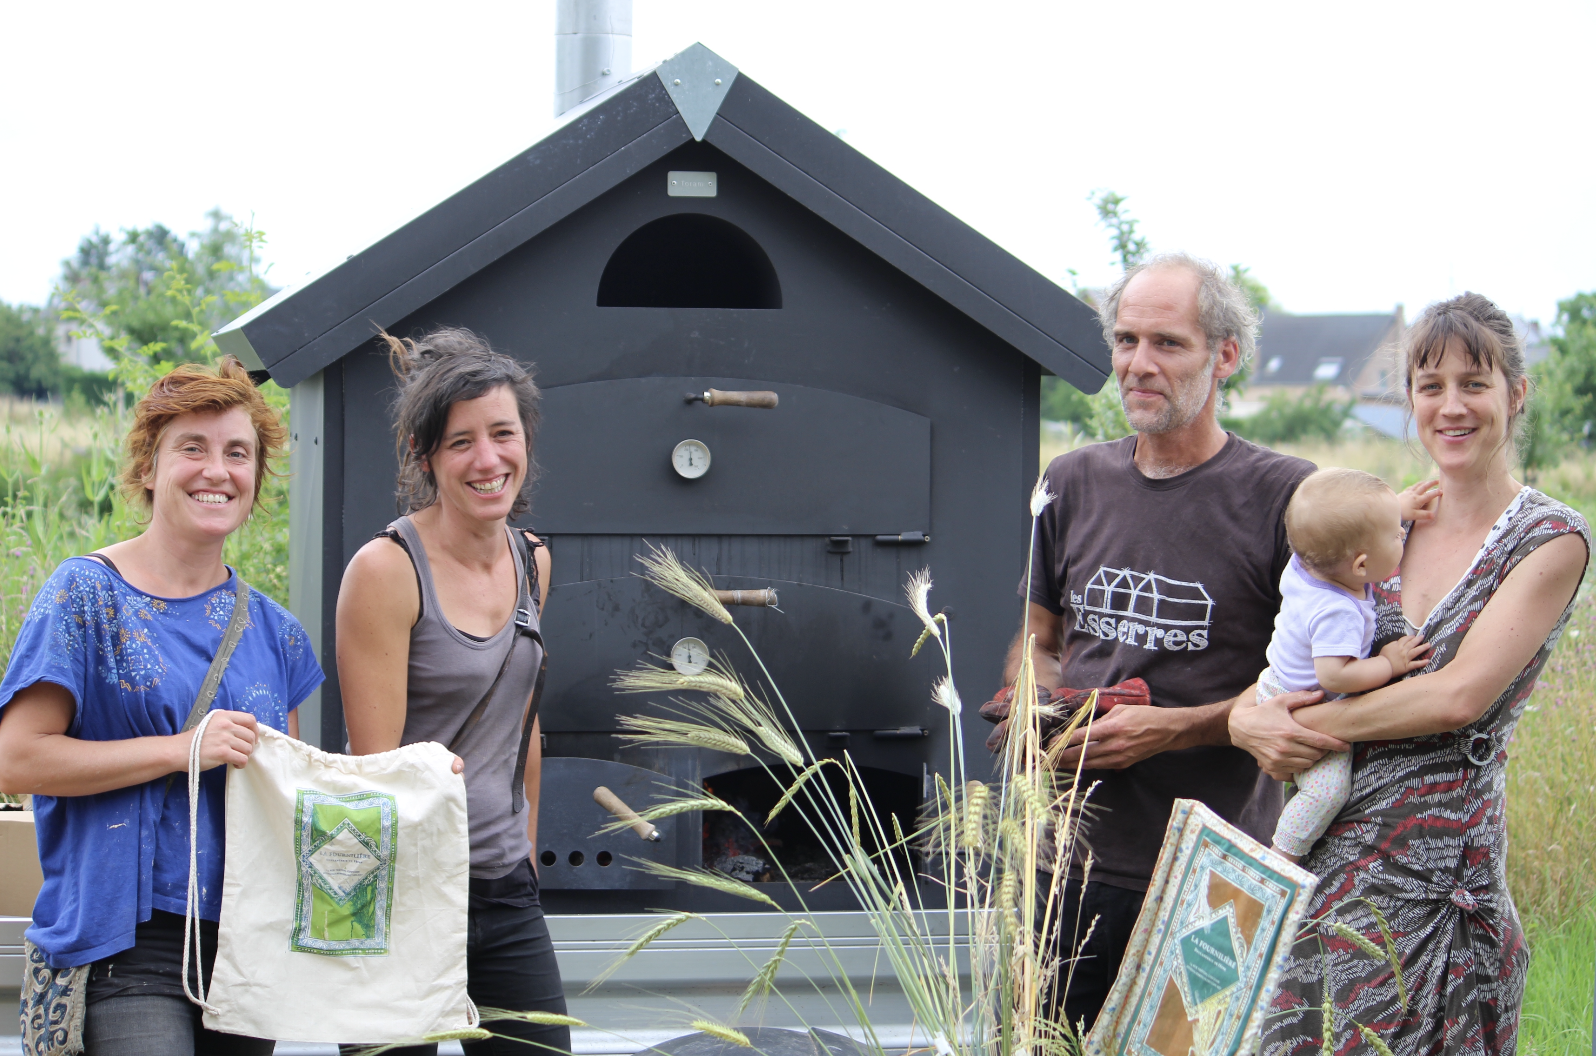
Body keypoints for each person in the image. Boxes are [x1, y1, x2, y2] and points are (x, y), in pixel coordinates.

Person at [1233, 294, 1588, 1056]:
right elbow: (1293, 653)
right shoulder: (1371, 517)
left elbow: (1455, 696)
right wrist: (1242, 717)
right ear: (1409, 401)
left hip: (1434, 889)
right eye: (1431, 386)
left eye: (1474, 383)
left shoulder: (1549, 538)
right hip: (1318, 873)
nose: (1451, 406)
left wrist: (1291, 725)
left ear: (1516, 394)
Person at [982, 252, 1328, 1032]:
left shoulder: (1287, 497)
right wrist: (1036, 708)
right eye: (1127, 340)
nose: (1139, 364)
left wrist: (1170, 729)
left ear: (1225, 356)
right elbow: (1039, 637)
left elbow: (1315, 686)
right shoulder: (1072, 482)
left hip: (1215, 876)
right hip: (1059, 868)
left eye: (1167, 344)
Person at [0, 358, 323, 1055]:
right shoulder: (85, 595)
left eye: (238, 452)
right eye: (193, 448)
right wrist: (182, 750)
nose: (218, 470)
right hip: (125, 940)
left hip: (244, 951)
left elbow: (287, 799)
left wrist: (414, 783)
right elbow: (16, 758)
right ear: (150, 468)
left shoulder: (276, 634)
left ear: (256, 477)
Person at [335, 327, 568, 1056]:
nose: (488, 459)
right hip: (397, 892)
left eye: (503, 433)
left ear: (526, 439)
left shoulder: (534, 562)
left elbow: (523, 720)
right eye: (460, 441)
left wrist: (524, 849)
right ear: (424, 456)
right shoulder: (386, 570)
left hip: (502, 889)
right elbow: (378, 768)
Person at [1261, 467, 1432, 861]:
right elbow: (1335, 674)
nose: (1402, 534)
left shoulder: (1308, 563)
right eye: (1394, 533)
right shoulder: (1337, 610)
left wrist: (1397, 509)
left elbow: (1345, 533)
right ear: (1360, 566)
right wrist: (1388, 664)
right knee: (1327, 790)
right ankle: (1283, 854)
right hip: (1303, 703)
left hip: (1274, 680)